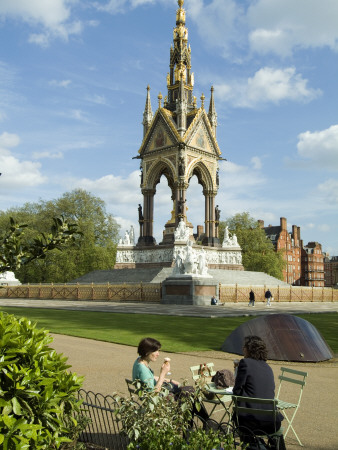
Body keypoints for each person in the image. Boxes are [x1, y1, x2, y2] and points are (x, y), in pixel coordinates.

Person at [132, 337, 209, 422]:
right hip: (156, 401)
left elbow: (150, 378)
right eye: (156, 351)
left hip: (156, 393)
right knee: (188, 395)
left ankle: (203, 421)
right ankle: (203, 421)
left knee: (189, 392)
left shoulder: (140, 361)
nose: (158, 354)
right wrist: (163, 373)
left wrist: (169, 380)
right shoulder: (142, 369)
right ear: (147, 352)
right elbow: (153, 395)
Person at [233, 336, 285, 449]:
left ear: (249, 349)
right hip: (272, 423)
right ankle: (260, 444)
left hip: (251, 423)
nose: (243, 349)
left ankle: (252, 446)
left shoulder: (245, 363)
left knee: (236, 415)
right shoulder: (268, 368)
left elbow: (236, 391)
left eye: (245, 346)